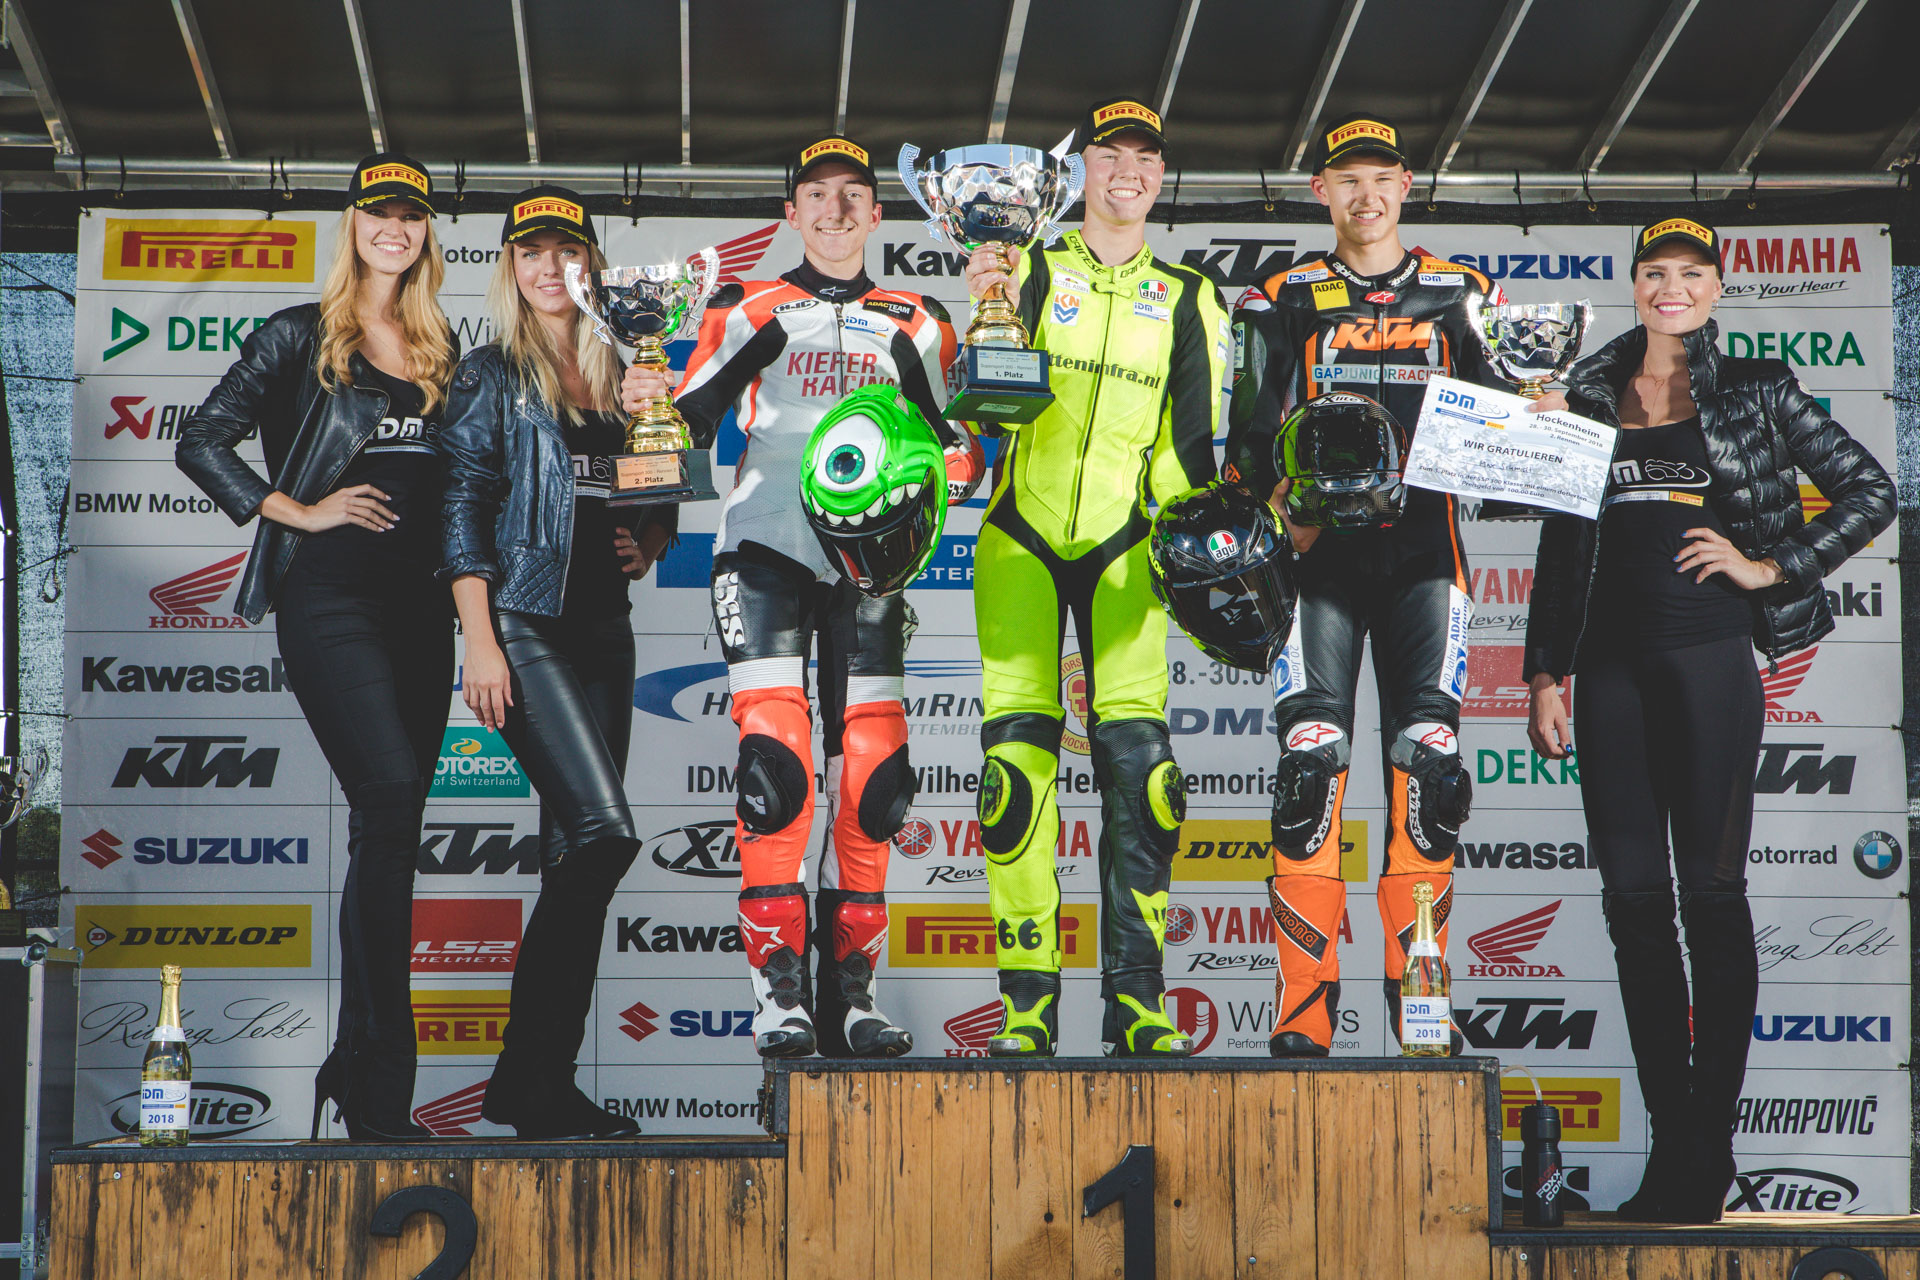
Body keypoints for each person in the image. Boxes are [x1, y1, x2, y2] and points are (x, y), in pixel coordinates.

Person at [1524, 217, 1893, 1221]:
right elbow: (1560, 544)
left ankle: (1709, 1150)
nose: (1671, 288)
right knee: (1634, 907)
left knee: (1712, 900)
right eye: (1655, 272)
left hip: (1709, 662)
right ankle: (1673, 1153)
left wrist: (1770, 566)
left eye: (1691, 273)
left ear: (1718, 288)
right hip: (1607, 671)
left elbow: (1871, 488)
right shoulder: (1586, 391)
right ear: (1634, 283)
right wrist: (1545, 673)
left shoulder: (1758, 387)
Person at [621, 136, 980, 1059]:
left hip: (873, 565)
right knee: (775, 772)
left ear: (878, 214)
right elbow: (684, 422)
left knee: (876, 780)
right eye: (816, 195)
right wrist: (646, 411)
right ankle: (779, 996)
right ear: (791, 213)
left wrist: (958, 460)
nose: (835, 209)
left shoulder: (918, 320)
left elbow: (958, 442)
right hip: (766, 551)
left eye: (853, 193)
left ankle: (852, 998)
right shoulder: (750, 307)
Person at [177, 154, 456, 1138]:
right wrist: (299, 508)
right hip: (331, 600)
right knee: (389, 798)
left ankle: (361, 1066)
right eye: (379, 212)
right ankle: (382, 1080)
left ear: (427, 232)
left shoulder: (443, 348)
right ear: (353, 225)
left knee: (391, 830)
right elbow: (201, 438)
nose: (394, 228)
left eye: (411, 215)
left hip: (424, 611)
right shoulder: (299, 333)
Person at [1225, 116, 1506, 1057]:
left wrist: (1540, 416)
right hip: (1318, 564)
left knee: (1430, 772)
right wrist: (1278, 514)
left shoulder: (1464, 293)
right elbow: (1247, 438)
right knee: (1309, 771)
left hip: (1427, 559)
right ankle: (1303, 1010)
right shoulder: (1282, 295)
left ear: (1407, 185)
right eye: (1347, 179)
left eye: (1381, 177)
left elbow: (1508, 427)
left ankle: (1420, 1004)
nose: (1366, 195)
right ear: (1320, 191)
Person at [962, 99, 1229, 1057]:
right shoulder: (1029, 267)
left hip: (1129, 549)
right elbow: (982, 412)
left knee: (1143, 777)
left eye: (1145, 158)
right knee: (1013, 777)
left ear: (1160, 176)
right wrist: (983, 304)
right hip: (1019, 539)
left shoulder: (1190, 295)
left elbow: (1192, 450)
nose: (1128, 171)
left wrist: (1190, 551)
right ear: (1080, 175)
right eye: (1110, 154)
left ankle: (1138, 1003)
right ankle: (1027, 1006)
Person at [440, 187, 676, 1137]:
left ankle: (541, 1087)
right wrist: (479, 638)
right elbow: (461, 505)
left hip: (605, 629)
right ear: (510, 266)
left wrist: (648, 539)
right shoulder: (491, 372)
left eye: (567, 252)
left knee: (574, 857)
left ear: (592, 267)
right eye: (531, 252)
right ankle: (522, 1078)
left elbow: (659, 483)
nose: (549, 268)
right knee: (606, 836)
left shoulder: (626, 362)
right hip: (525, 623)